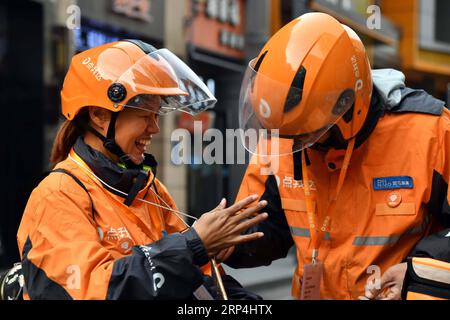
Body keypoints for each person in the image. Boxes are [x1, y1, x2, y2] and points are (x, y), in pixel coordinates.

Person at [16, 39, 268, 300]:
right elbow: (94, 291)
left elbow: (201, 282)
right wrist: (193, 245)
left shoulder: (148, 187)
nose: (154, 128)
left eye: (157, 115)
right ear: (99, 115)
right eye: (145, 114)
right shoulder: (58, 194)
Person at [224, 13, 450, 300]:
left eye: (305, 134)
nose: (292, 144)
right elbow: (267, 229)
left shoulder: (430, 132)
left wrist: (416, 272)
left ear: (346, 106)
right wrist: (228, 243)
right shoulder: (280, 135)